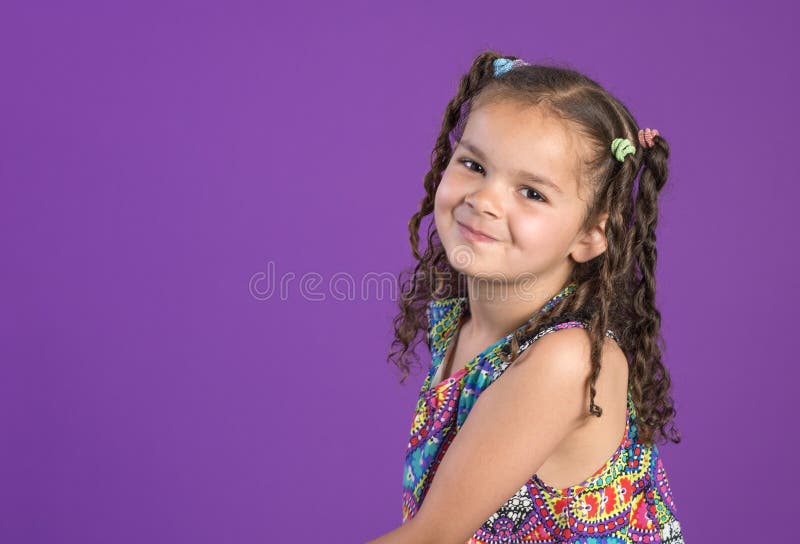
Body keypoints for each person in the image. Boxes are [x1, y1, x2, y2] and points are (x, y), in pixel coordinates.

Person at [366, 51, 684, 544]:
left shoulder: (568, 360)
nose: (485, 200)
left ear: (592, 234)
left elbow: (431, 537)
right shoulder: (459, 324)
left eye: (532, 192)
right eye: (473, 164)